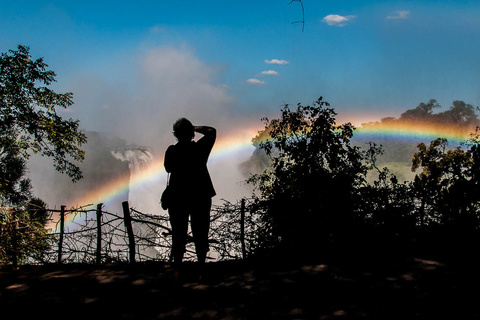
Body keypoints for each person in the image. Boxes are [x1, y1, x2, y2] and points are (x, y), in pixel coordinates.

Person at [164, 118, 216, 278]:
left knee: (178, 233)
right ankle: (201, 268)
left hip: (178, 196)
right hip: (200, 194)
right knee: (201, 232)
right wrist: (194, 127)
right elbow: (211, 131)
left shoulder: (172, 151)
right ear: (192, 133)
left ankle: (177, 270)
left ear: (176, 134)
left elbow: (168, 168)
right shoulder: (200, 148)